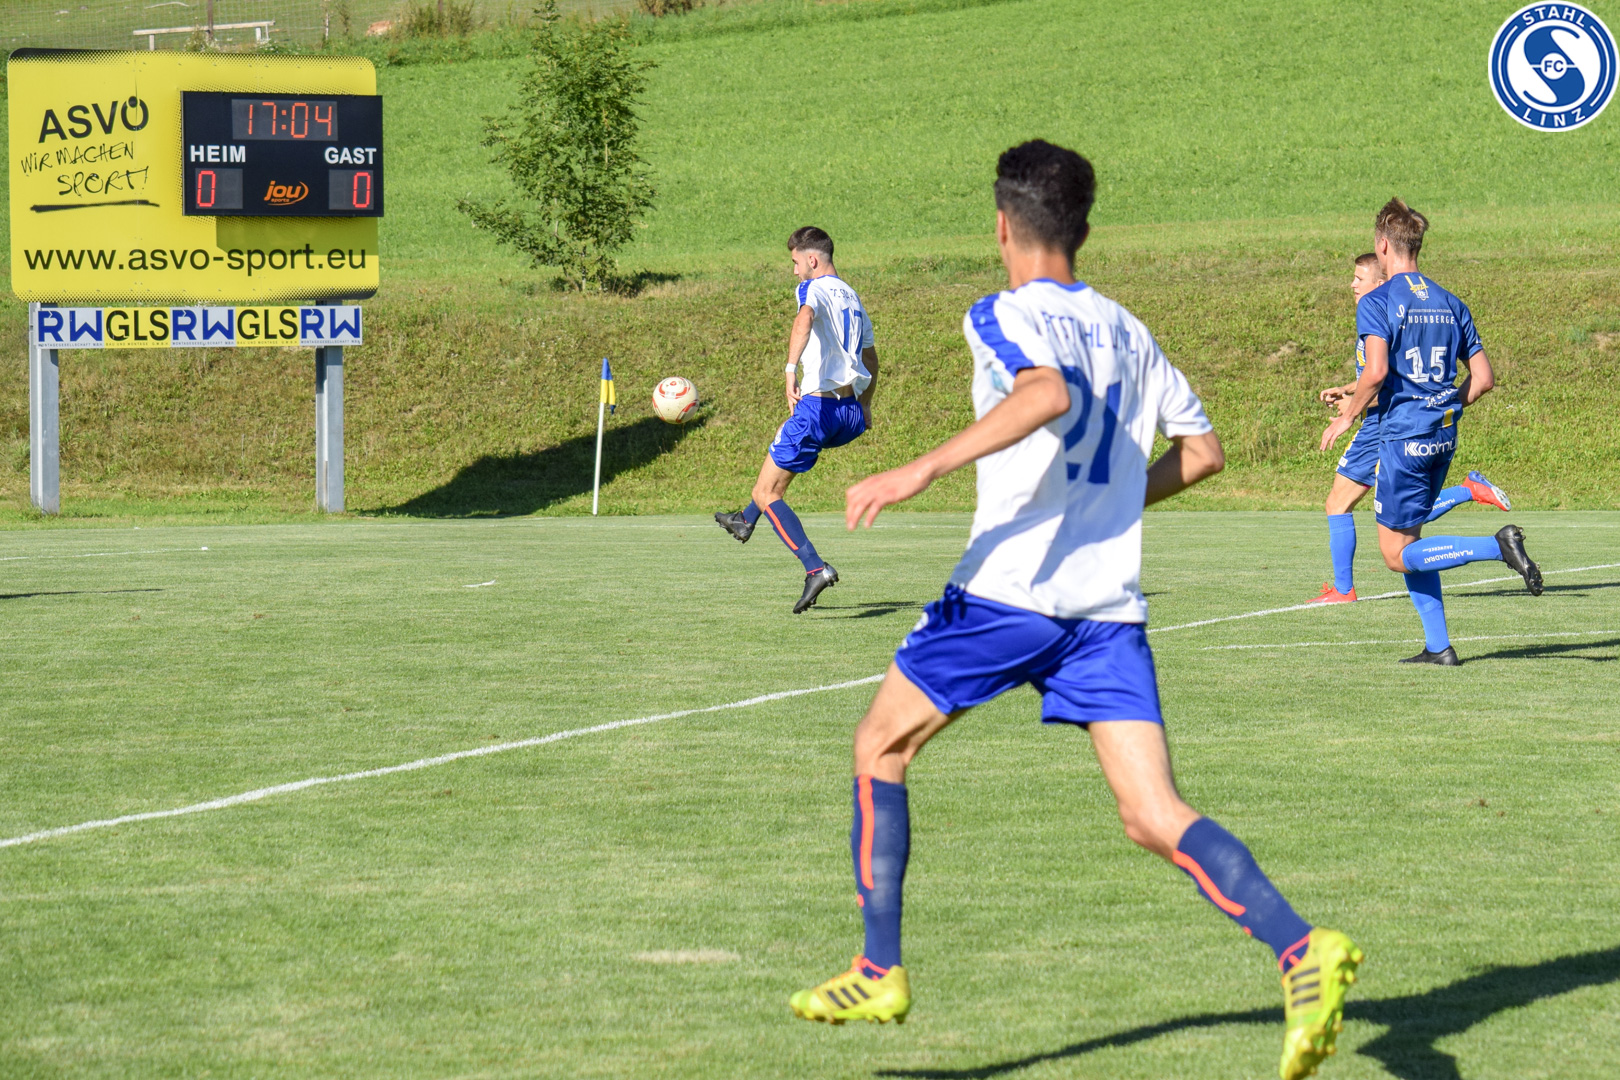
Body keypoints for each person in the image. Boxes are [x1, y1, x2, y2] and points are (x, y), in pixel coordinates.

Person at [789, 141, 1361, 1080]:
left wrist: (918, 468)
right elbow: (1204, 453)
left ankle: (879, 969)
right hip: (1106, 609)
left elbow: (1044, 391)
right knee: (1152, 814)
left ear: (1002, 227)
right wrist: (1116, 505)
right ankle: (1302, 948)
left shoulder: (1001, 312)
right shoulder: (1130, 329)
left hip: (1009, 594)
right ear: (1083, 229)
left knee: (879, 747)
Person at [1320, 199, 1541, 663]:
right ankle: (1439, 647)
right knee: (1412, 542)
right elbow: (1484, 379)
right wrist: (1445, 406)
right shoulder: (1451, 302)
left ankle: (1497, 546)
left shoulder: (1378, 301)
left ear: (1383, 245)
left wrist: (1347, 416)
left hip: (1403, 440)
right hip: (1442, 438)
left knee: (1396, 555)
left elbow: (1375, 372)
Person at [1311, 253, 1511, 604]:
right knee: (1401, 515)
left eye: (1360, 278)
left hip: (1386, 427)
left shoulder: (1382, 308)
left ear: (1380, 281)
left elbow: (1395, 387)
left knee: (1345, 506)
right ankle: (1468, 491)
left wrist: (1352, 409)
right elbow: (1389, 377)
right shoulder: (1406, 309)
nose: (1353, 284)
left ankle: (1344, 590)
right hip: (1408, 427)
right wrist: (1349, 389)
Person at [714, 227, 879, 613]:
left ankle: (815, 568)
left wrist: (790, 369)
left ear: (812, 259)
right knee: (775, 463)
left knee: (767, 492)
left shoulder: (812, 288)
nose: (794, 271)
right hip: (849, 413)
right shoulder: (853, 298)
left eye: (795, 262)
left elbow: (804, 317)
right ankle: (744, 521)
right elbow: (871, 358)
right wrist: (867, 404)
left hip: (817, 410)